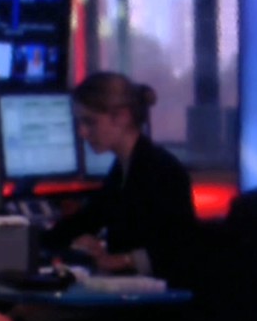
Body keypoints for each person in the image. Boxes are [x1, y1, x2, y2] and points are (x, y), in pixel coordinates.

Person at [40, 72, 197, 287]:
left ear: (122, 117)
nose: (82, 132)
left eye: (90, 122)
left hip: (156, 298)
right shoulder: (122, 170)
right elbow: (87, 220)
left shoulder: (162, 170)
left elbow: (179, 248)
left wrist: (124, 260)